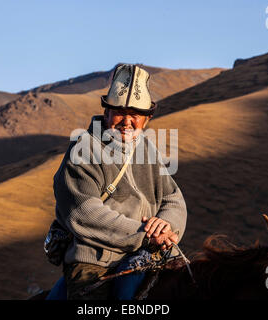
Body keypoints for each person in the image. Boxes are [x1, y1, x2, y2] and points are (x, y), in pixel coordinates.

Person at [52, 64, 187, 299]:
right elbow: (84, 212)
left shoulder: (147, 149)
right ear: (106, 112)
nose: (127, 121)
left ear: (147, 119)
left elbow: (172, 198)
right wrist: (144, 234)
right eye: (119, 112)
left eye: (135, 114)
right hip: (95, 263)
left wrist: (165, 227)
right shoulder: (84, 150)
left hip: (147, 257)